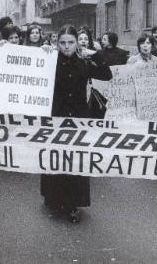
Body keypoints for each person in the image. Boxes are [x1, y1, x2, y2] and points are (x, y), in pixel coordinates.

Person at [41, 25, 112, 223]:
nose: (66, 47)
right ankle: (54, 200)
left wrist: (95, 54)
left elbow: (107, 75)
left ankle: (73, 205)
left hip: (80, 117)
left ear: (76, 43)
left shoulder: (84, 63)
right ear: (57, 44)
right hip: (56, 116)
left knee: (75, 160)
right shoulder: (50, 62)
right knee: (57, 157)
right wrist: (43, 52)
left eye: (70, 42)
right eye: (62, 43)